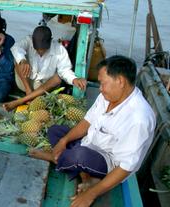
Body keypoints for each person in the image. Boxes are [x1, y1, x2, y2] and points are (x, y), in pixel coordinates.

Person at [29, 55, 156, 207]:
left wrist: (90, 194)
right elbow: (87, 122)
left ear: (120, 81)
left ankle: (56, 159)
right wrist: (64, 141)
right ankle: (86, 176)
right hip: (89, 144)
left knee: (79, 155)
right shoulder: (107, 96)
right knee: (55, 131)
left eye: (103, 83)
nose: (100, 89)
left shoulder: (139, 118)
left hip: (109, 164)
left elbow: (125, 167)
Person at [3, 26, 87, 111]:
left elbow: (64, 70)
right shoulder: (28, 40)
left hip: (44, 87)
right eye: (37, 49)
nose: (40, 52)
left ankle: (21, 100)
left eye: (43, 49)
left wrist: (74, 79)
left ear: (51, 41)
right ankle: (29, 93)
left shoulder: (59, 49)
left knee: (58, 78)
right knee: (18, 60)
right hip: (26, 83)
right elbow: (16, 48)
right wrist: (23, 60)